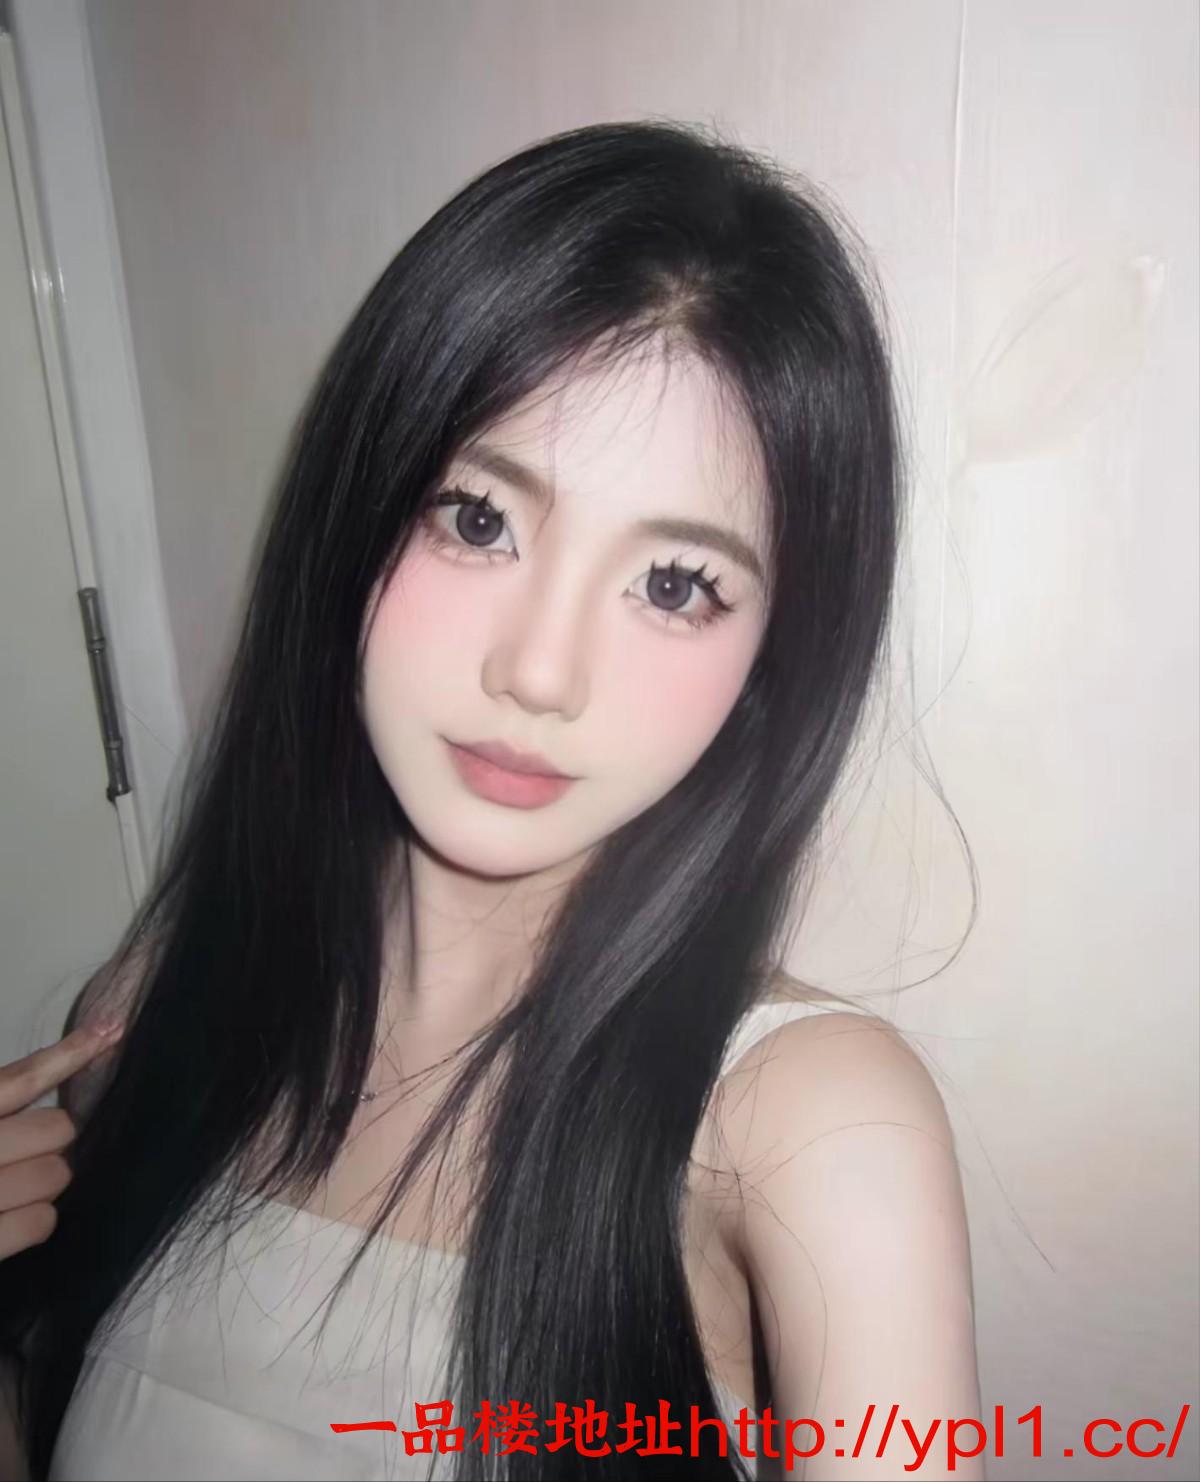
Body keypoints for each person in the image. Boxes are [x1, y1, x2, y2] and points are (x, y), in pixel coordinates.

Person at [0, 120, 981, 1480]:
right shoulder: (142, 1012)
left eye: (675, 585)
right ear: (357, 510)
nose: (538, 672)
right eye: (477, 518)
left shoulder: (805, 1127)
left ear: (773, 659)